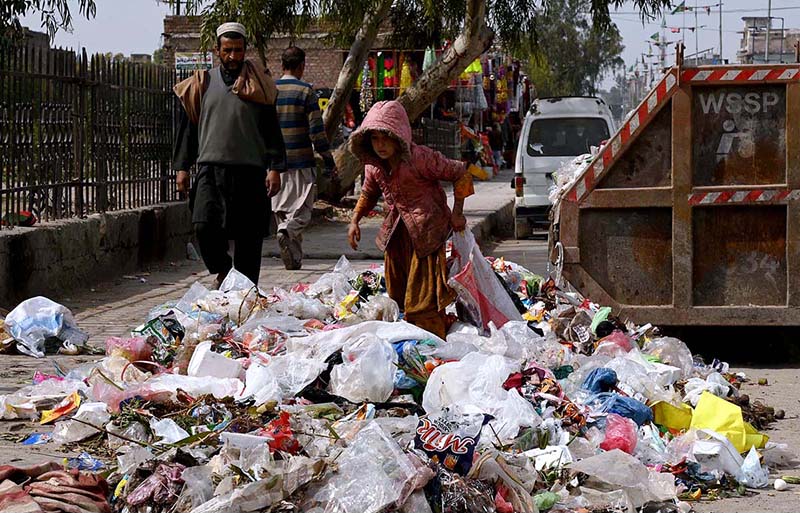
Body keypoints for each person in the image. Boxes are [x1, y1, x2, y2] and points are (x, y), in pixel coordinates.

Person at [347, 100, 475, 339]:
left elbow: (460, 174)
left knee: (423, 297)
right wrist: (354, 220)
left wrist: (457, 213)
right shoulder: (374, 167)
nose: (381, 145)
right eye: (375, 139)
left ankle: (431, 342)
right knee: (398, 293)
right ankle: (406, 339)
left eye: (386, 138)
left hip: (426, 233)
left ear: (399, 136)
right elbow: (368, 193)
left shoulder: (421, 158)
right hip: (396, 234)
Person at [173, 22, 286, 289]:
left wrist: (275, 167)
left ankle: (245, 291)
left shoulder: (259, 85)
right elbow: (188, 129)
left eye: (238, 50)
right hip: (210, 170)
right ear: (217, 50)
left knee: (249, 236)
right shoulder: (202, 84)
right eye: (227, 50)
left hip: (249, 172)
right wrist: (182, 167)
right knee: (203, 225)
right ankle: (223, 271)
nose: (233, 56)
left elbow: (272, 130)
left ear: (245, 50)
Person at [272, 46, 334, 270]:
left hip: (274, 164)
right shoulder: (306, 91)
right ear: (301, 66)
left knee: (281, 210)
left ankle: (294, 259)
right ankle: (287, 233)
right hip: (300, 160)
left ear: (282, 65)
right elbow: (316, 130)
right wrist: (327, 158)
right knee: (303, 211)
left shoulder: (270, 90)